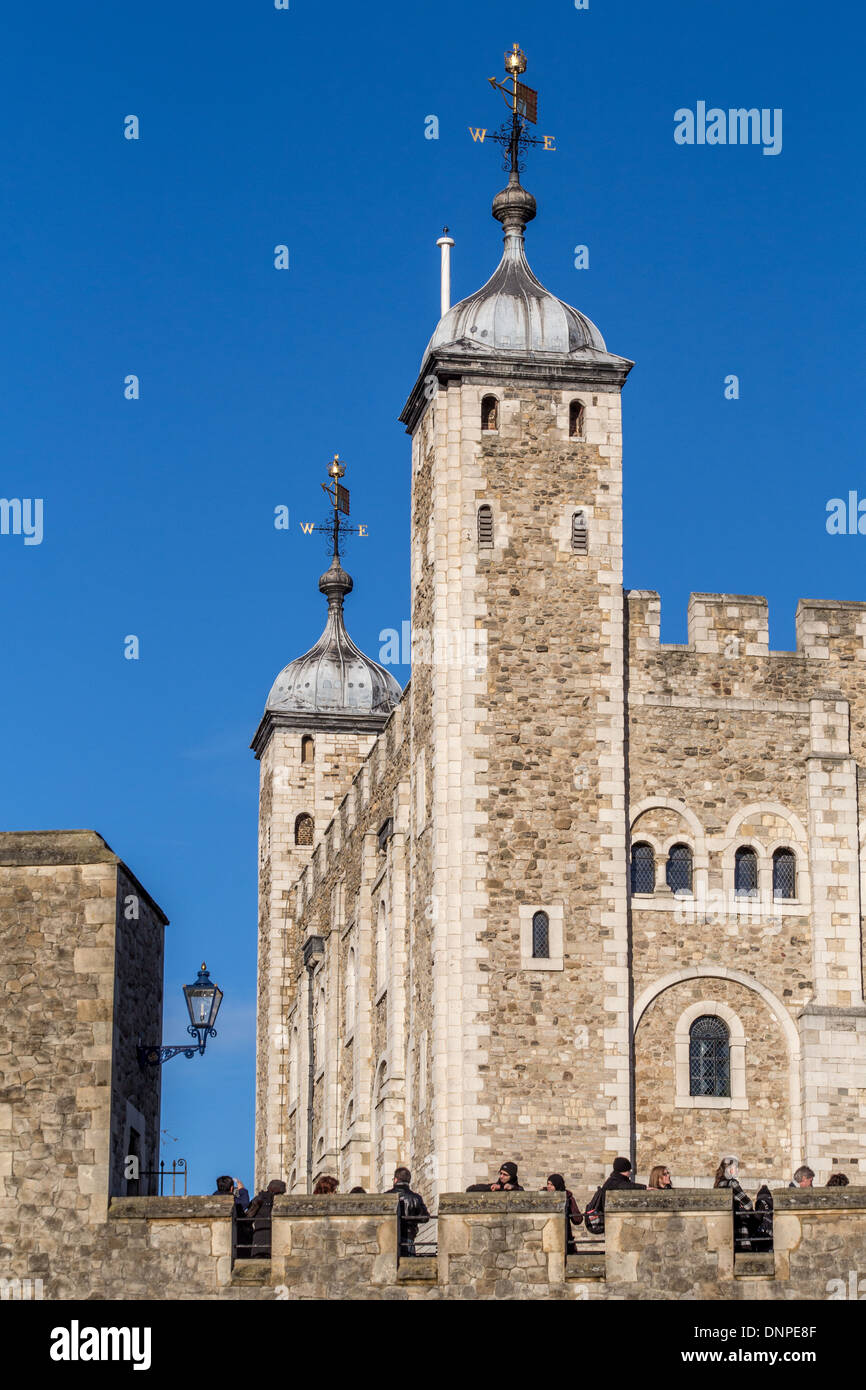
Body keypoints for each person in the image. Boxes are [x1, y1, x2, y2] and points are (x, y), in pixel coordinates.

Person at [386, 1166, 430, 1257]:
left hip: (389, 1239)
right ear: (408, 1181)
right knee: (410, 1267)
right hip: (408, 1237)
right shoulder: (415, 1198)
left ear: (395, 1180)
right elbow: (425, 1218)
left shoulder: (386, 1196)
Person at [713, 1157, 754, 1250]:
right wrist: (742, 1204)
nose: (737, 1170)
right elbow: (748, 1205)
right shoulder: (732, 1183)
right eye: (736, 1168)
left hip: (724, 1227)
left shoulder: (718, 1184)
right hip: (739, 1227)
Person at [244, 1179, 287, 1258]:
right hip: (262, 1240)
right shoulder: (259, 1200)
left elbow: (247, 1219)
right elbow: (247, 1219)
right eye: (281, 1193)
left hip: (269, 1241)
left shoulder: (259, 1200)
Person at [545, 1173, 583, 1253]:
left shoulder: (568, 1198)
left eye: (551, 1185)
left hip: (564, 1235)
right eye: (548, 1184)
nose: (549, 1187)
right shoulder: (543, 1195)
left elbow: (577, 1220)